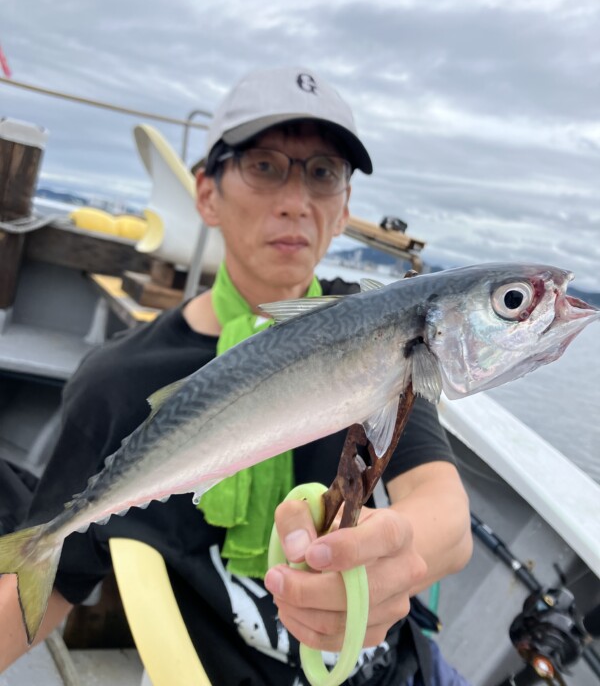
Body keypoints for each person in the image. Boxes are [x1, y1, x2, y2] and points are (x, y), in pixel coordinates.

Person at [0, 66, 472, 684]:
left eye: (323, 173)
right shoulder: (119, 380)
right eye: (264, 165)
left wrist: (391, 558)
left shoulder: (376, 335)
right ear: (206, 192)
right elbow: (43, 586)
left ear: (344, 205)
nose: (296, 202)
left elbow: (447, 519)